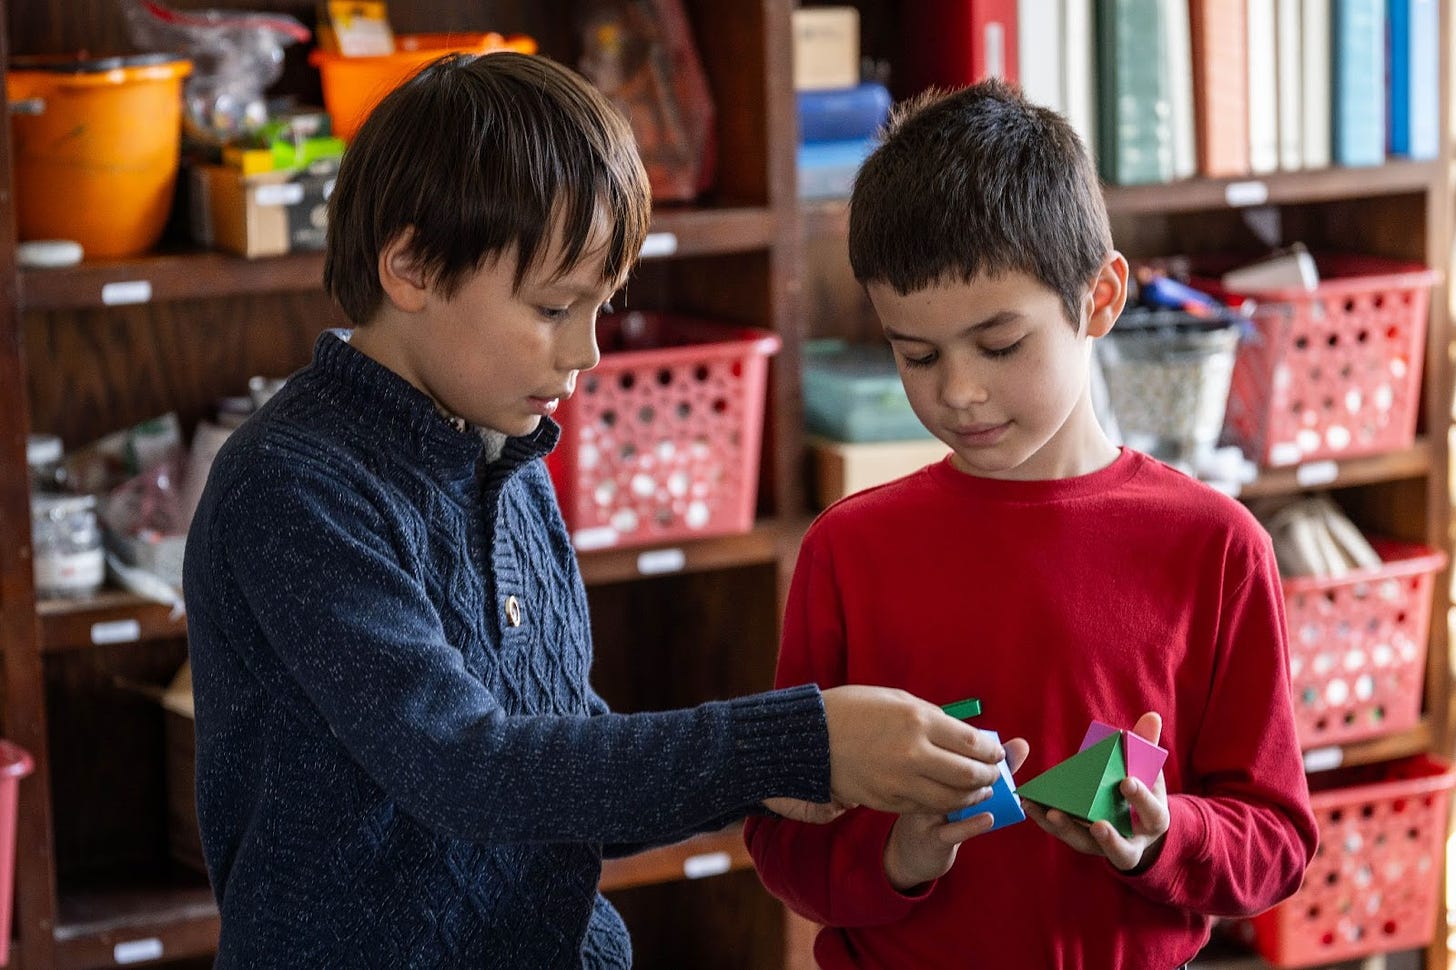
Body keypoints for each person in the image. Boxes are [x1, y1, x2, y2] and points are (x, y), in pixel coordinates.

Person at [181, 52, 1009, 968]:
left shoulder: (512, 460)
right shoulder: (293, 486)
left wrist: (787, 776)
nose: (586, 353)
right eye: (552, 306)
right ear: (410, 266)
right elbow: (468, 769)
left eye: (601, 307)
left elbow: (561, 764)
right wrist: (792, 745)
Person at [744, 79, 1319, 969]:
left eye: (1000, 345)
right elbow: (783, 841)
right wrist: (899, 855)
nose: (958, 391)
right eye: (916, 354)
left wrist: (1164, 837)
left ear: (1099, 299)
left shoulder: (1216, 547)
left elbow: (1277, 839)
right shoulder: (848, 552)